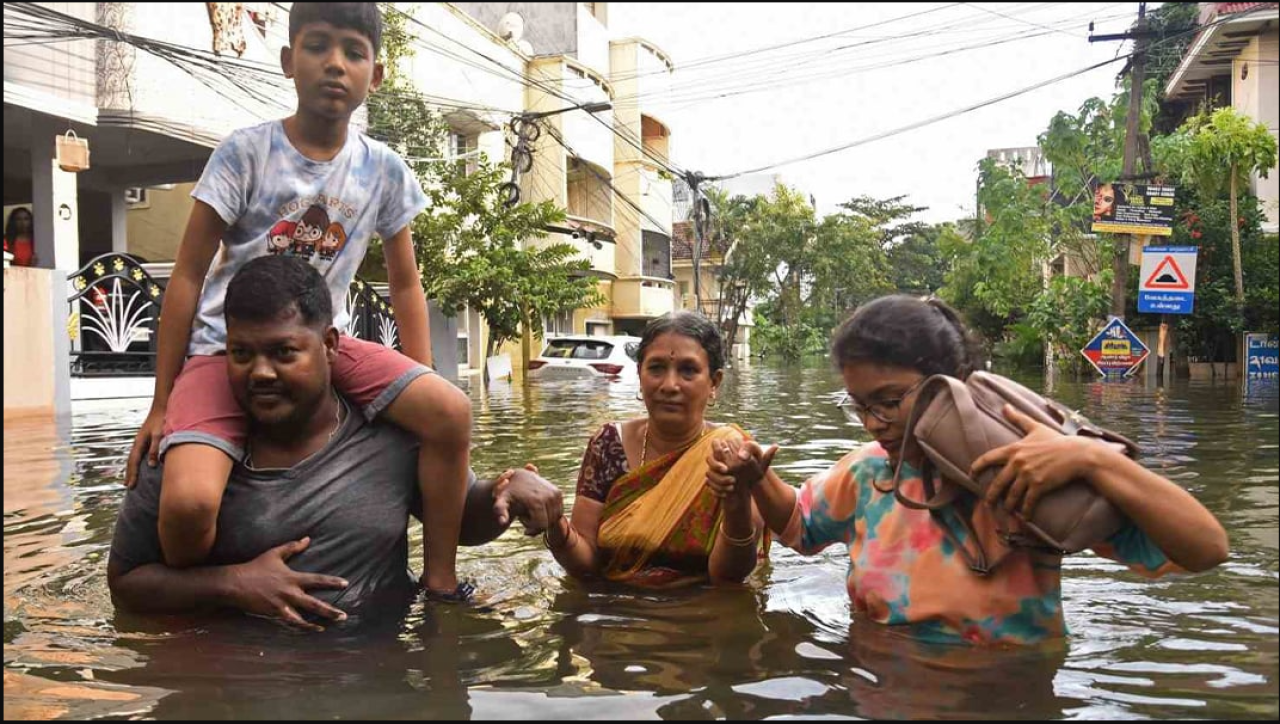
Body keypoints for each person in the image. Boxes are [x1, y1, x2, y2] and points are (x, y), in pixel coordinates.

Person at [122, 3, 474, 601]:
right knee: (186, 503)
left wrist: (417, 376)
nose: (335, 65)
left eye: (353, 52)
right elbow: (185, 276)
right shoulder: (245, 153)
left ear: (376, 76)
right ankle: (210, 589)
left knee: (449, 411)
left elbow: (406, 282)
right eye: (318, 47)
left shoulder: (383, 169)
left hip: (323, 345)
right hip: (225, 349)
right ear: (289, 61)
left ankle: (439, 581)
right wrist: (161, 403)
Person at [711, 295, 1229, 646]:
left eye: (891, 401)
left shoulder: (1027, 472)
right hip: (881, 681)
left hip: (1005, 693)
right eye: (860, 405)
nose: (874, 423)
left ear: (949, 384)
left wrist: (1092, 456)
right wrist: (758, 480)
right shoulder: (868, 475)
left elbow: (1206, 549)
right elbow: (800, 531)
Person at [108, 256, 561, 629]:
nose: (261, 373)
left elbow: (461, 521)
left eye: (284, 353)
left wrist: (508, 489)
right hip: (236, 688)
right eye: (241, 354)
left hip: (380, 682)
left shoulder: (391, 433)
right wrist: (232, 584)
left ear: (328, 345)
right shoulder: (184, 451)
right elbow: (126, 585)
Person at [543, 311, 768, 588]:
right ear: (640, 374)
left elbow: (728, 576)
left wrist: (736, 502)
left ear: (714, 383)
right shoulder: (608, 445)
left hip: (700, 615)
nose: (670, 385)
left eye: (688, 370)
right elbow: (586, 564)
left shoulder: (735, 455)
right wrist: (555, 525)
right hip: (617, 613)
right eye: (656, 368)